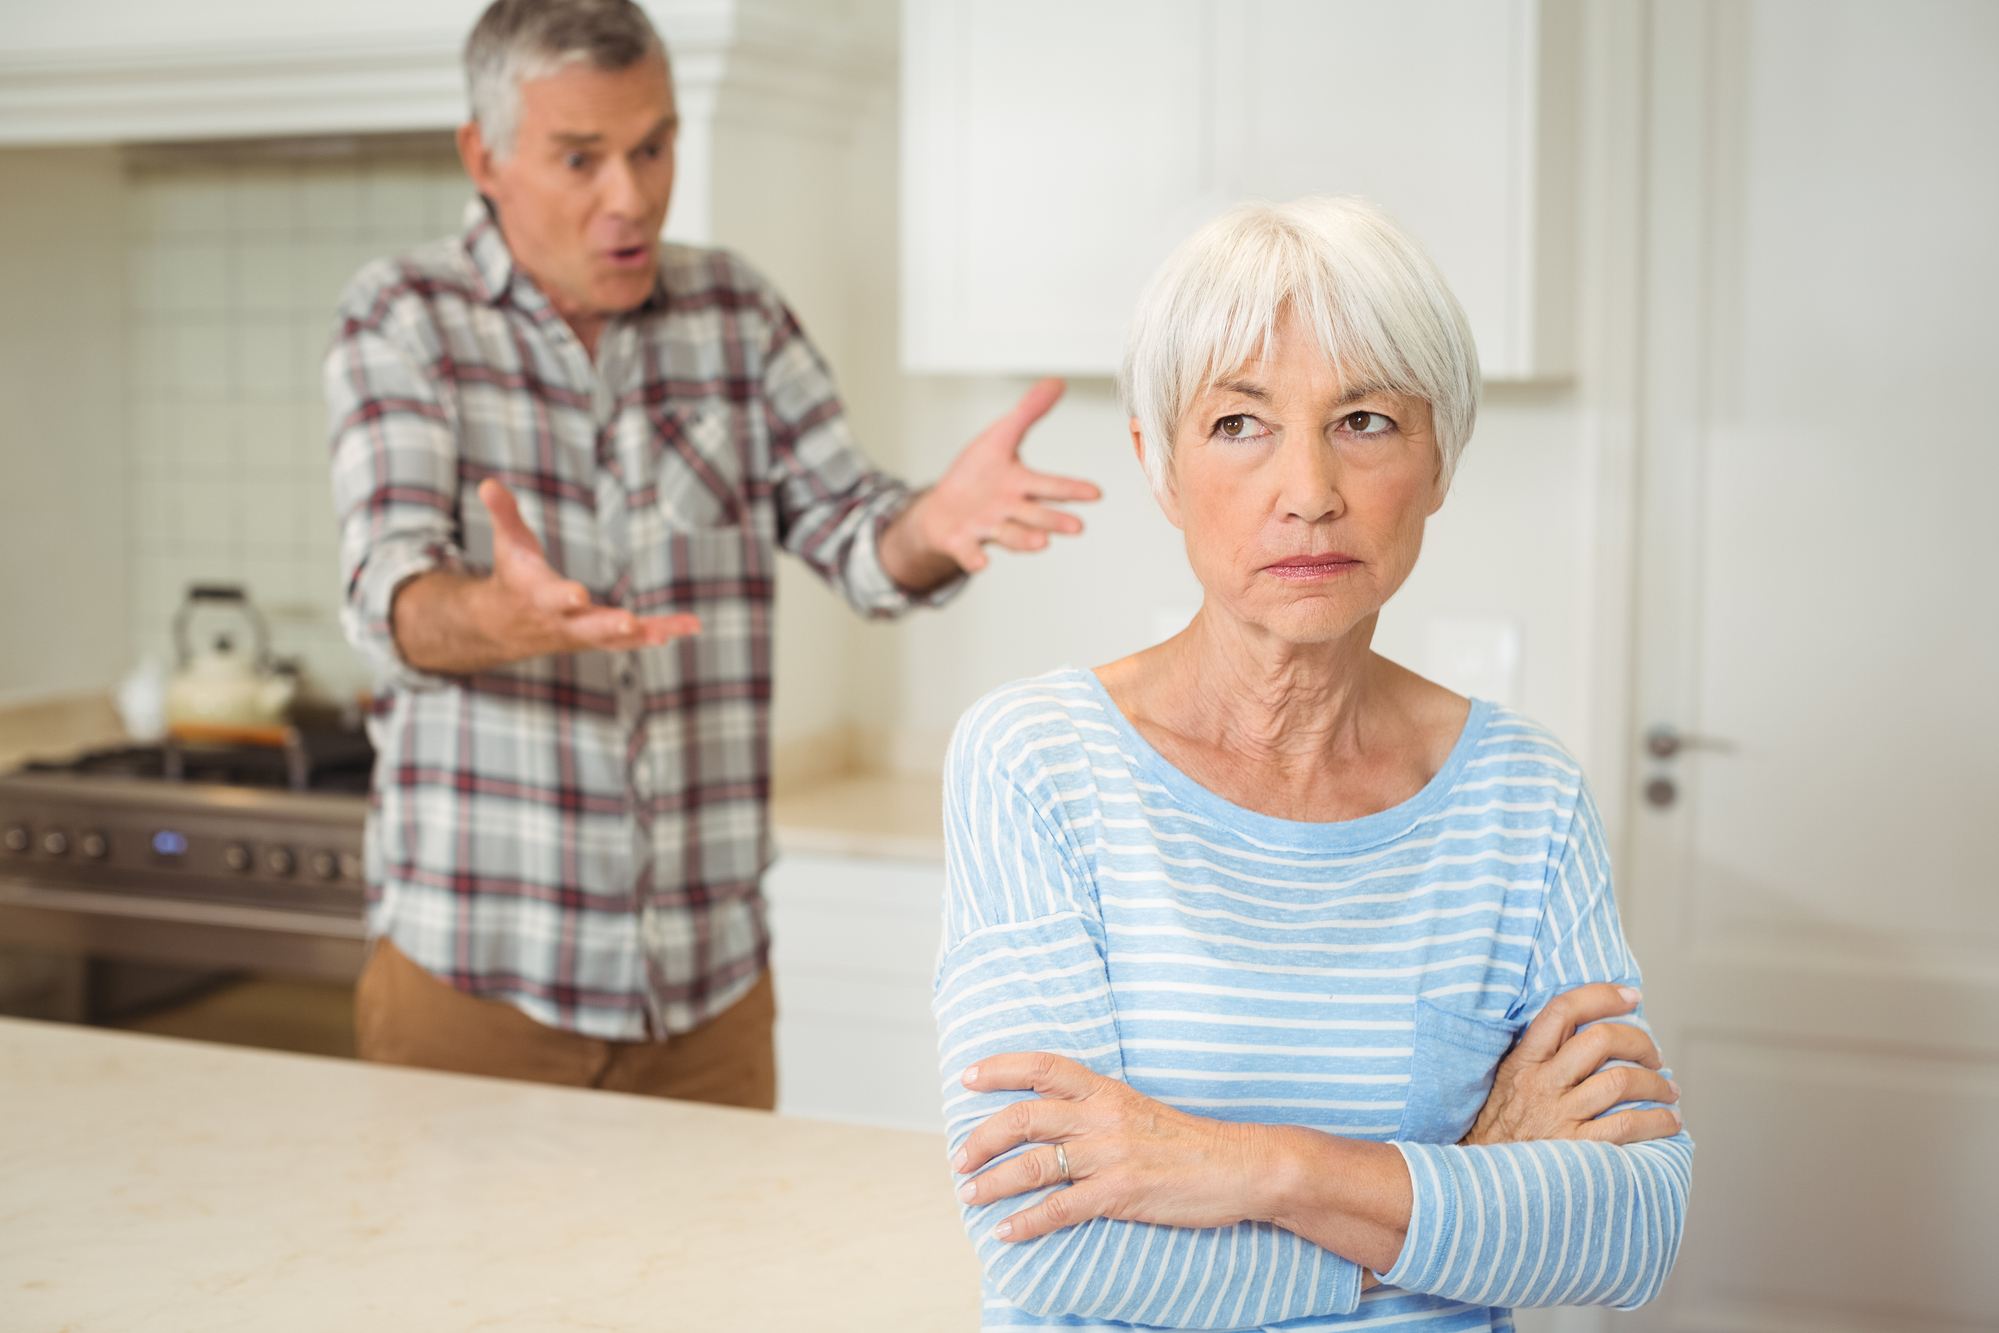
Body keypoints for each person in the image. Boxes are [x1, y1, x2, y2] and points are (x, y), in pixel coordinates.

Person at [935, 196, 1692, 1329]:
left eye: (1366, 421)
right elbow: (1049, 1237)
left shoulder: (1523, 796)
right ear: (1159, 462)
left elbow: (1631, 1226)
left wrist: (1252, 1167)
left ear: (1441, 458)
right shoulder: (1036, 763)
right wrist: (1455, 1193)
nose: (1310, 492)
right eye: (1239, 424)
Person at [327, 0, 1098, 1106]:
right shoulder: (403, 318)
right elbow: (387, 596)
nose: (628, 196)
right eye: (580, 157)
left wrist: (928, 528)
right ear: (483, 155)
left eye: (653, 146)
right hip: (475, 990)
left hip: (708, 996)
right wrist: (502, 615)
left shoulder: (735, 313)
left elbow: (855, 535)